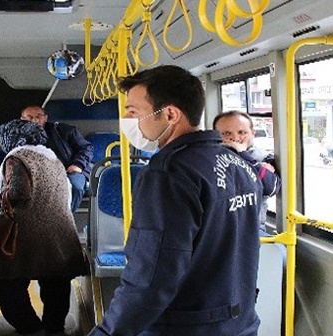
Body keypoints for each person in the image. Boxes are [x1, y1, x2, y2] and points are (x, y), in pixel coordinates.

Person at [87, 65, 263, 336]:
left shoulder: (168, 173)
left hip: (185, 327)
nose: (126, 119)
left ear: (170, 114)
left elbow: (151, 276)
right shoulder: (238, 165)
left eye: (133, 111)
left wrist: (108, 333)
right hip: (239, 322)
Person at [0, 119, 87, 335]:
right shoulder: (52, 157)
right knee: (55, 281)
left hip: (29, 228)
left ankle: (31, 328)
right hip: (61, 227)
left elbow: (19, 192)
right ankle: (55, 327)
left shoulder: (17, 157)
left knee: (8, 281)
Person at [213, 110, 282, 229]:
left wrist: (242, 153)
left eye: (242, 132)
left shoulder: (264, 157)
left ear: (253, 133)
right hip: (219, 229)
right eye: (226, 133)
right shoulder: (209, 158)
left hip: (253, 230)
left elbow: (271, 188)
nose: (235, 138)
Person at [20, 105, 93, 213]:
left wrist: (78, 164)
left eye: (39, 116)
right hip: (37, 175)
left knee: (75, 186)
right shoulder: (19, 137)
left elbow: (86, 147)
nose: (35, 120)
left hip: (69, 171)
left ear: (45, 118)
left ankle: (64, 220)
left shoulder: (63, 130)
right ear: (22, 120)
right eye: (30, 117)